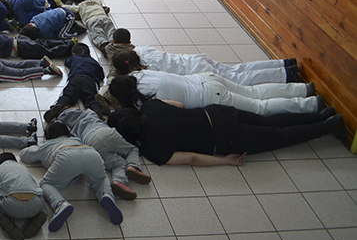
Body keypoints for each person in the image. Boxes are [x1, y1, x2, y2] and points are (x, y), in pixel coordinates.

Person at [107, 99, 343, 166]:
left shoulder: (152, 150)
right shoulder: (150, 106)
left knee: (277, 137)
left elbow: (191, 157)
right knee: (268, 120)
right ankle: (320, 115)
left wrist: (225, 161)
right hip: (217, 113)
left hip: (224, 139)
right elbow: (179, 105)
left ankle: (328, 126)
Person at [20, 121, 123, 232]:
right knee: (101, 179)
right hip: (90, 152)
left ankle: (60, 204)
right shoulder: (76, 139)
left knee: (46, 184)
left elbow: (25, 155)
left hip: (66, 156)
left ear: (48, 135)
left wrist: (34, 145)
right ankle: (106, 194)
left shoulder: (46, 144)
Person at [108, 67, 321, 116]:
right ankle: (303, 89)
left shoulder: (144, 102)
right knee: (254, 91)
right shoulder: (141, 73)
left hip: (210, 97)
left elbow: (180, 107)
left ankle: (311, 105)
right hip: (205, 78)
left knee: (259, 107)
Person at [54, 107, 151, 200]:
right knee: (132, 149)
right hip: (106, 133)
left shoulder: (70, 129)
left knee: (118, 163)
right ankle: (133, 166)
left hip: (91, 144)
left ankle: (119, 181)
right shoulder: (88, 113)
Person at [116, 44, 302, 85]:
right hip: (194, 59)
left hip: (198, 71)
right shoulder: (142, 49)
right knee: (239, 69)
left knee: (240, 79)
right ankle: (285, 64)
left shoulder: (147, 71)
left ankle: (287, 75)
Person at [0, 153, 47, 240]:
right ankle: (41, 213)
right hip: (35, 205)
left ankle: (1, 219)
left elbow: (0, 191)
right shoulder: (24, 168)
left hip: (12, 207)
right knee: (39, 194)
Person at [44, 43, 107, 117]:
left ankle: (60, 105)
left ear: (73, 53)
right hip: (90, 80)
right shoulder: (94, 62)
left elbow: (67, 62)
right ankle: (96, 110)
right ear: (89, 54)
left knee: (68, 95)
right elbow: (101, 76)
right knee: (91, 98)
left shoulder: (74, 58)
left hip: (75, 78)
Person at [0, 27, 75, 60]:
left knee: (48, 52)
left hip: (21, 49)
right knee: (45, 44)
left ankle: (70, 47)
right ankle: (68, 42)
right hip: (20, 40)